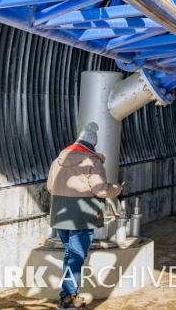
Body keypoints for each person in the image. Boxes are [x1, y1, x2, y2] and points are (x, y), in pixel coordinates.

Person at [46, 122, 123, 309]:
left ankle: (67, 296)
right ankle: (69, 298)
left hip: (60, 215)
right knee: (76, 257)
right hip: (81, 216)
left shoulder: (57, 161)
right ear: (91, 145)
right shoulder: (92, 162)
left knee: (70, 255)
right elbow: (100, 190)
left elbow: (50, 187)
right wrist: (117, 189)